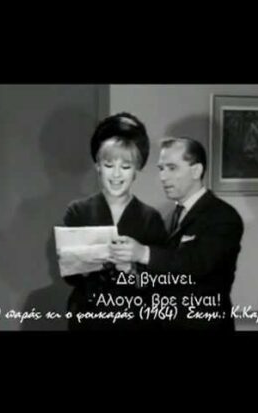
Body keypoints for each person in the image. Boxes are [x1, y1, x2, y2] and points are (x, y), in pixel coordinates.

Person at [109, 137, 244, 331]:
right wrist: (132, 270)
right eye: (161, 169)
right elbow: (167, 273)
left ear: (196, 171)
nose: (163, 177)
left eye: (172, 168)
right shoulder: (170, 216)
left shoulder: (223, 216)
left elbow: (198, 264)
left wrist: (143, 253)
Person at [59, 112, 167, 331]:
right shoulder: (77, 211)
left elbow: (162, 280)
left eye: (125, 167)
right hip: (88, 318)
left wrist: (132, 270)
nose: (116, 175)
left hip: (136, 321)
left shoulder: (151, 218)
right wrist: (87, 262)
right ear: (98, 166)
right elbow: (70, 275)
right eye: (109, 165)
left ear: (136, 170)